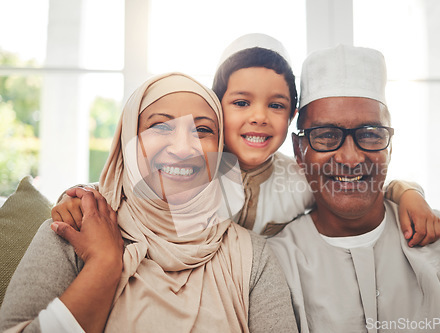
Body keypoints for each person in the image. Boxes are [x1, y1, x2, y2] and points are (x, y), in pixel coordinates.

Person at [52, 34, 440, 246]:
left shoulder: (298, 177)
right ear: (216, 109)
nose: (258, 116)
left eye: (276, 105)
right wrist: (82, 196)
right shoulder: (192, 165)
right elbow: (133, 189)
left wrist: (409, 193)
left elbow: (358, 181)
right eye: (241, 102)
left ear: (292, 117)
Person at [0, 72, 298, 332]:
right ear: (128, 141)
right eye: (161, 126)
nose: (183, 148)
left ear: (219, 150)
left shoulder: (253, 256)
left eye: (203, 130)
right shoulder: (73, 229)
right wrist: (103, 265)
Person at [268, 45, 440, 333]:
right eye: (326, 136)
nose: (350, 158)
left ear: (390, 146)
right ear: (299, 151)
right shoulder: (274, 263)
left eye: (369, 134)